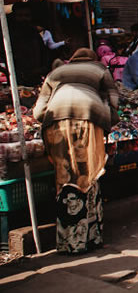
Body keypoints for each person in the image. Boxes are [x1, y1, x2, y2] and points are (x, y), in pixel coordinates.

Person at [33, 48, 119, 254]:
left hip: (57, 125)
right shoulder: (99, 69)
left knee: (66, 178)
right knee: (89, 175)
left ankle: (69, 242)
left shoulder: (56, 73)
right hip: (89, 120)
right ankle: (91, 237)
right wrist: (109, 118)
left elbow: (38, 111)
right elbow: (113, 96)